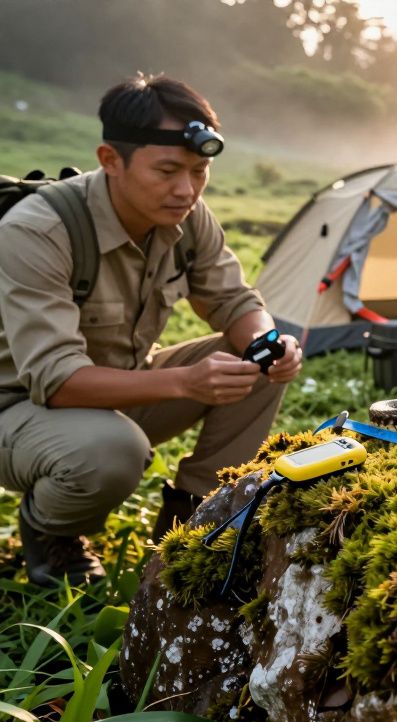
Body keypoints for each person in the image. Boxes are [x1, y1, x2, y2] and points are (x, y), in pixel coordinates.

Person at [0, 74, 303, 587]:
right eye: (167, 170)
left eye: (199, 171)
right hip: (20, 408)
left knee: (253, 364)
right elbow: (56, 379)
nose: (186, 189)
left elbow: (232, 299)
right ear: (110, 159)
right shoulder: (38, 231)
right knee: (113, 450)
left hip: (121, 386)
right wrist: (186, 382)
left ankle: (194, 528)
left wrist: (266, 343)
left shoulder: (186, 216)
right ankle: (51, 533)